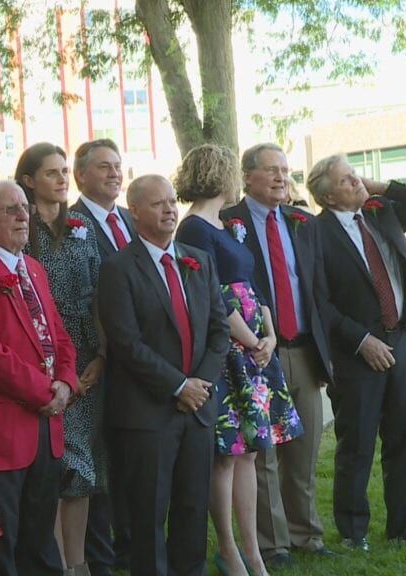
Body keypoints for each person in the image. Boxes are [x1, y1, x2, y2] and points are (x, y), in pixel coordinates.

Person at [175, 145, 303, 576]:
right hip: (227, 347)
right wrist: (250, 339)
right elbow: (210, 294)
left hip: (254, 347)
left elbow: (250, 281)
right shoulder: (192, 228)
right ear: (222, 174)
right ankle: (228, 549)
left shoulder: (225, 225)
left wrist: (267, 332)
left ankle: (253, 551)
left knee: (250, 450)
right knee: (226, 454)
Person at [97, 174, 230, 576]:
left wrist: (199, 385)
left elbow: (220, 331)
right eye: (158, 204)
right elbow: (126, 343)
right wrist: (177, 385)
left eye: (172, 201)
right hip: (148, 412)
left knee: (192, 507)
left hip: (197, 408)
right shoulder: (118, 268)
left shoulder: (199, 260)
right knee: (148, 515)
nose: (170, 209)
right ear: (134, 211)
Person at [308, 155, 406, 553]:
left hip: (404, 339)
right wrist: (360, 341)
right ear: (328, 196)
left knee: (405, 437)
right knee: (357, 442)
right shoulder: (316, 233)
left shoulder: (380, 212)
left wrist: (377, 185)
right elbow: (320, 301)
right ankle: (353, 531)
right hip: (357, 351)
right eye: (347, 180)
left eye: (356, 175)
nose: (357, 182)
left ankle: (404, 529)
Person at [0, 180, 79, 576]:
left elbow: (58, 335)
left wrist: (67, 383)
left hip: (47, 424)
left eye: (24, 207)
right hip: (3, 428)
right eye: (11, 210)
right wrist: (45, 390)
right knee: (0, 544)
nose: (23, 215)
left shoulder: (34, 270)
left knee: (40, 537)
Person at [220, 143, 336, 566]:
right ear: (247, 175)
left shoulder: (302, 222)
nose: (281, 178)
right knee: (263, 453)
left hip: (302, 348)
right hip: (254, 354)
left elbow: (317, 287)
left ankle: (308, 534)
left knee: (304, 448)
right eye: (271, 170)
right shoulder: (227, 222)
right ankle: (275, 543)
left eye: (286, 171)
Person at [16, 143, 105, 576]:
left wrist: (103, 355)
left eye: (64, 171)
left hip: (88, 352)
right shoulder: (20, 226)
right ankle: (52, 562)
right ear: (29, 180)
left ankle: (79, 562)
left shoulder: (80, 226)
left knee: (82, 466)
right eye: (51, 172)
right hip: (42, 356)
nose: (61, 179)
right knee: (53, 468)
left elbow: (100, 293)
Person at [68, 138, 135, 576]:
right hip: (93, 360)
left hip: (137, 363)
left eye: (118, 166)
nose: (114, 174)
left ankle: (132, 551)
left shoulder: (130, 219)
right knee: (95, 466)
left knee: (129, 462)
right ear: (81, 176)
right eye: (104, 167)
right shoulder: (68, 222)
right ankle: (98, 559)